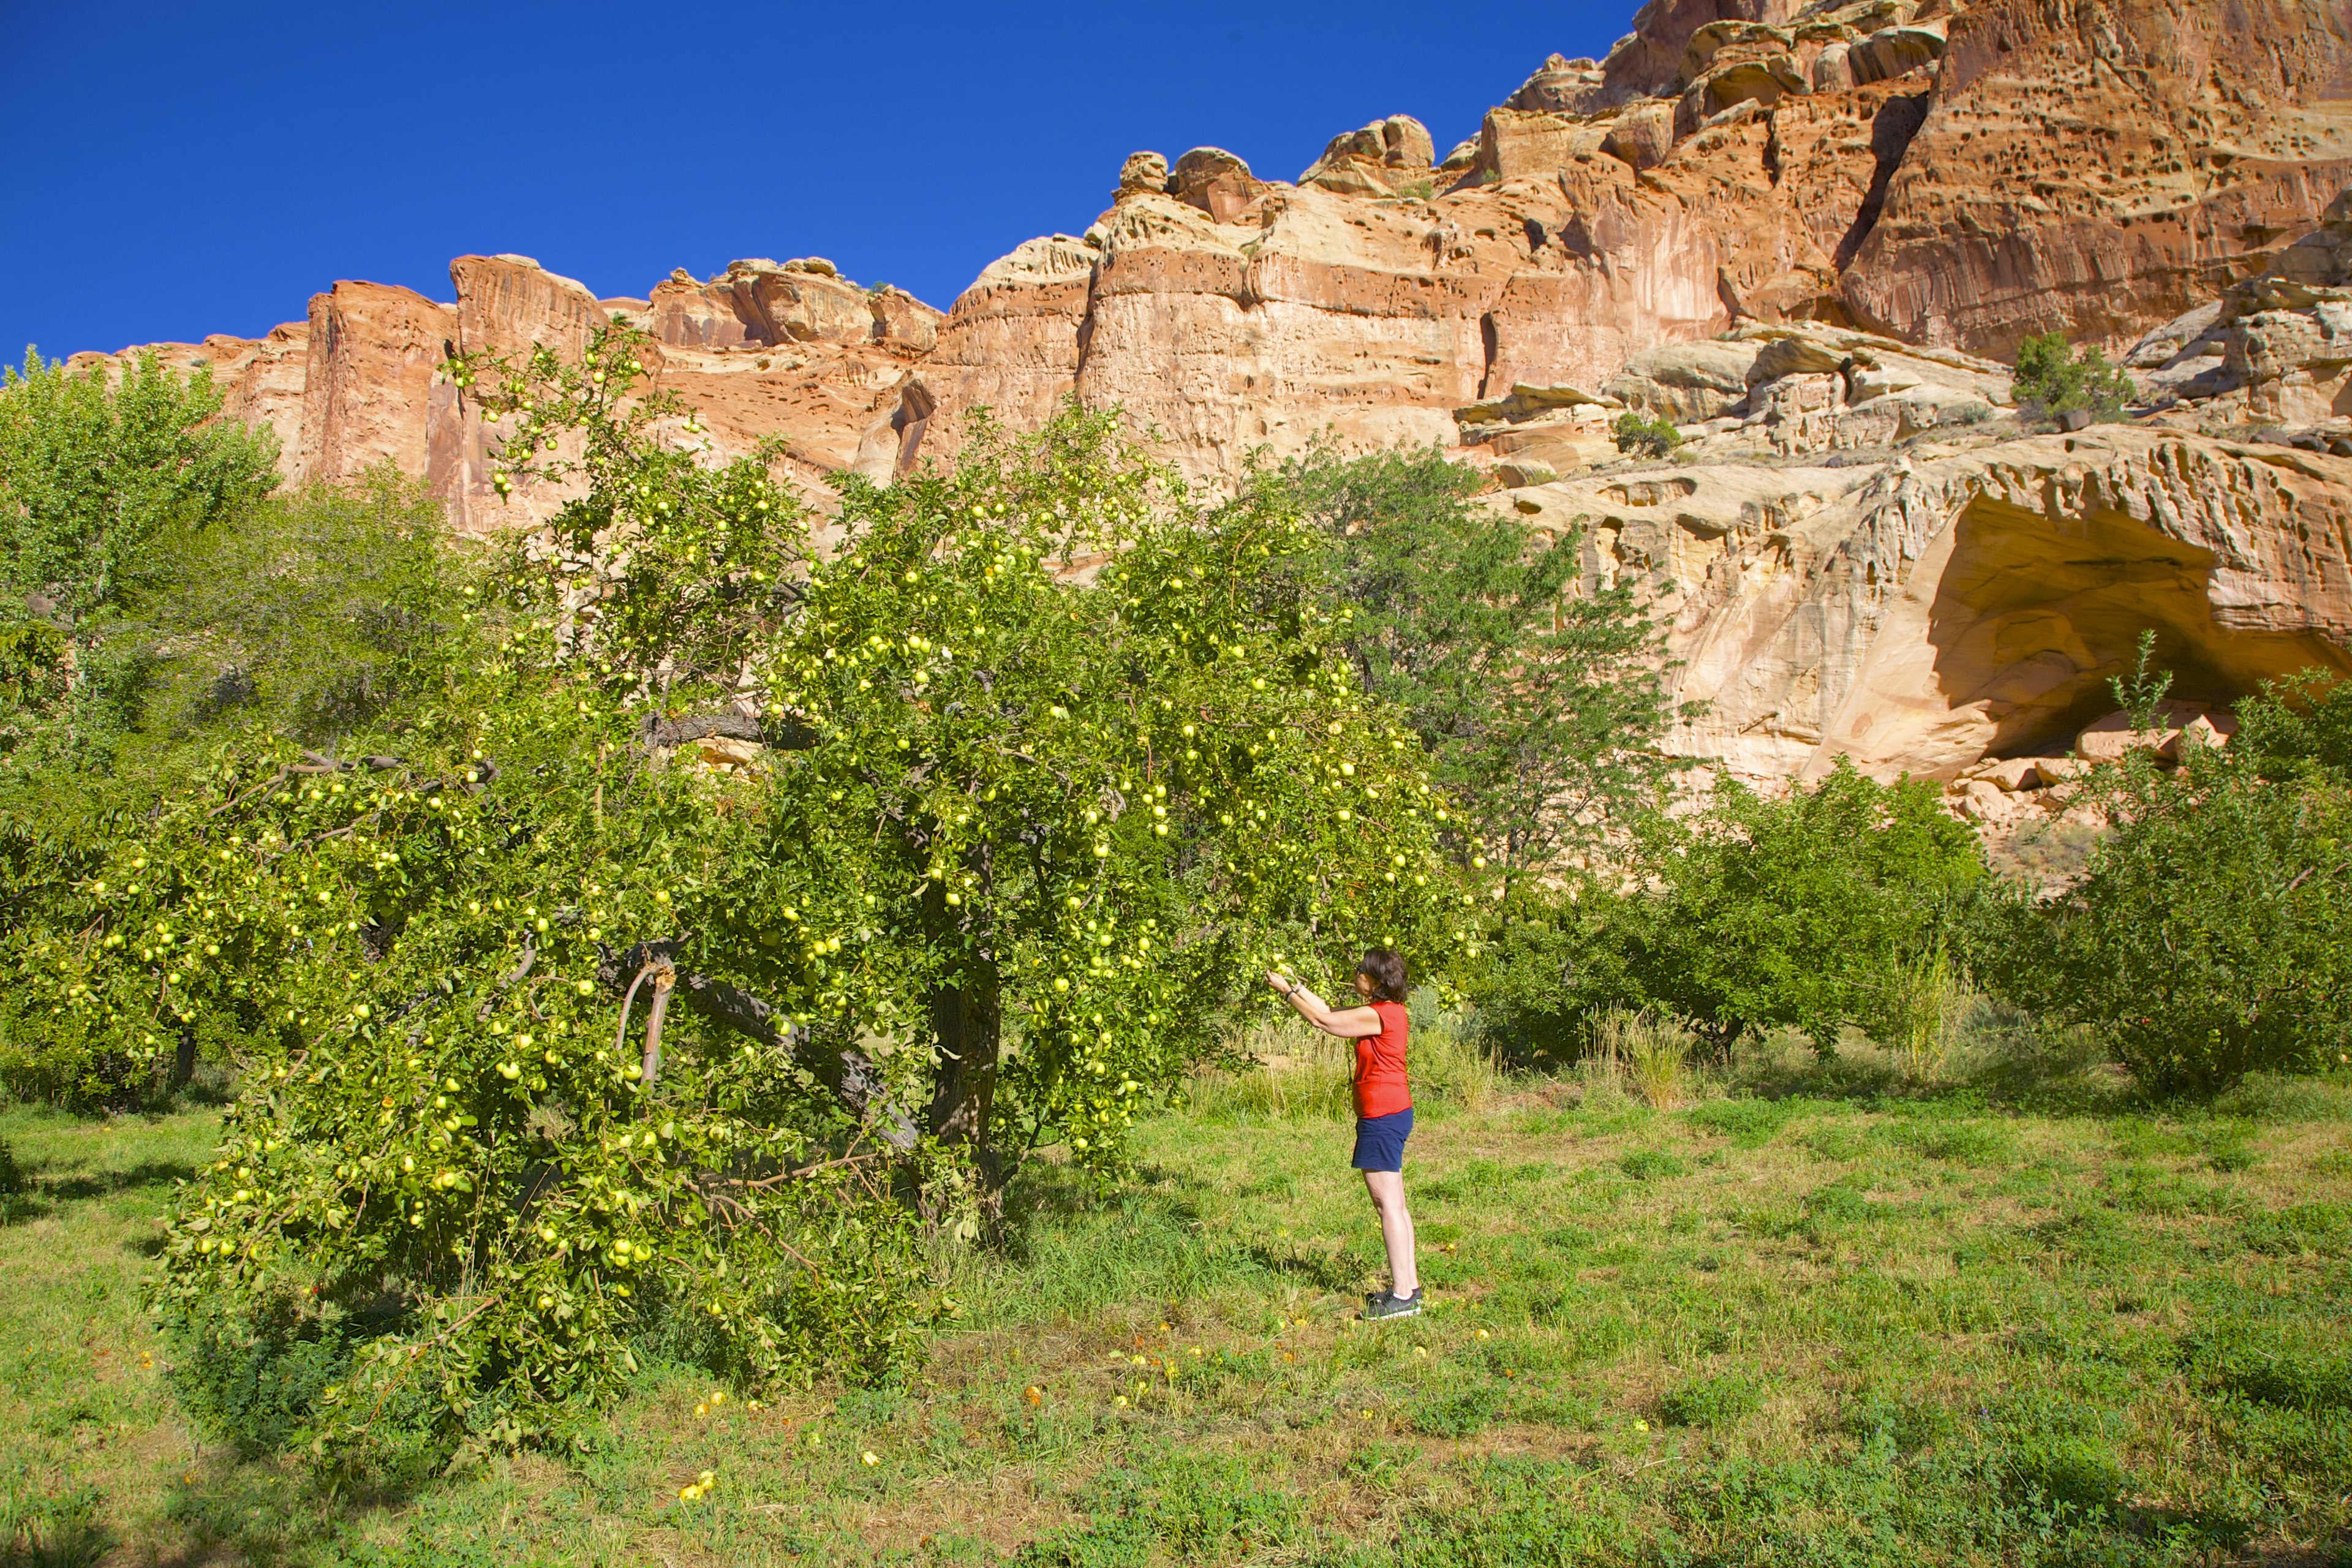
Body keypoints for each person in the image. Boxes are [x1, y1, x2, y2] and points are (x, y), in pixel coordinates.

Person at [1266, 949, 1420, 1319]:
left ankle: (1402, 1296)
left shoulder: (1378, 1015)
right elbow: (1330, 1013)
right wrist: (1295, 986)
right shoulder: (1384, 1012)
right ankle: (1409, 1289)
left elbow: (1322, 1022)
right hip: (1389, 1111)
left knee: (1387, 1205)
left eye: (1361, 971)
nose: (1355, 974)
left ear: (1377, 981)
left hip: (1382, 1115)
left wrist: (1286, 994)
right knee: (1394, 1204)